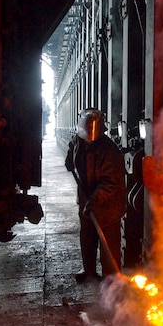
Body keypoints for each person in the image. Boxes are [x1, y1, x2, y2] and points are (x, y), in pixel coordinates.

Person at [65, 108, 126, 282]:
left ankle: (112, 279)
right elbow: (72, 147)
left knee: (109, 243)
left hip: (108, 204)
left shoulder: (110, 151)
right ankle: (89, 271)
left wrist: (94, 201)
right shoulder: (79, 140)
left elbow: (110, 184)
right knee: (87, 238)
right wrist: (70, 159)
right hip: (86, 198)